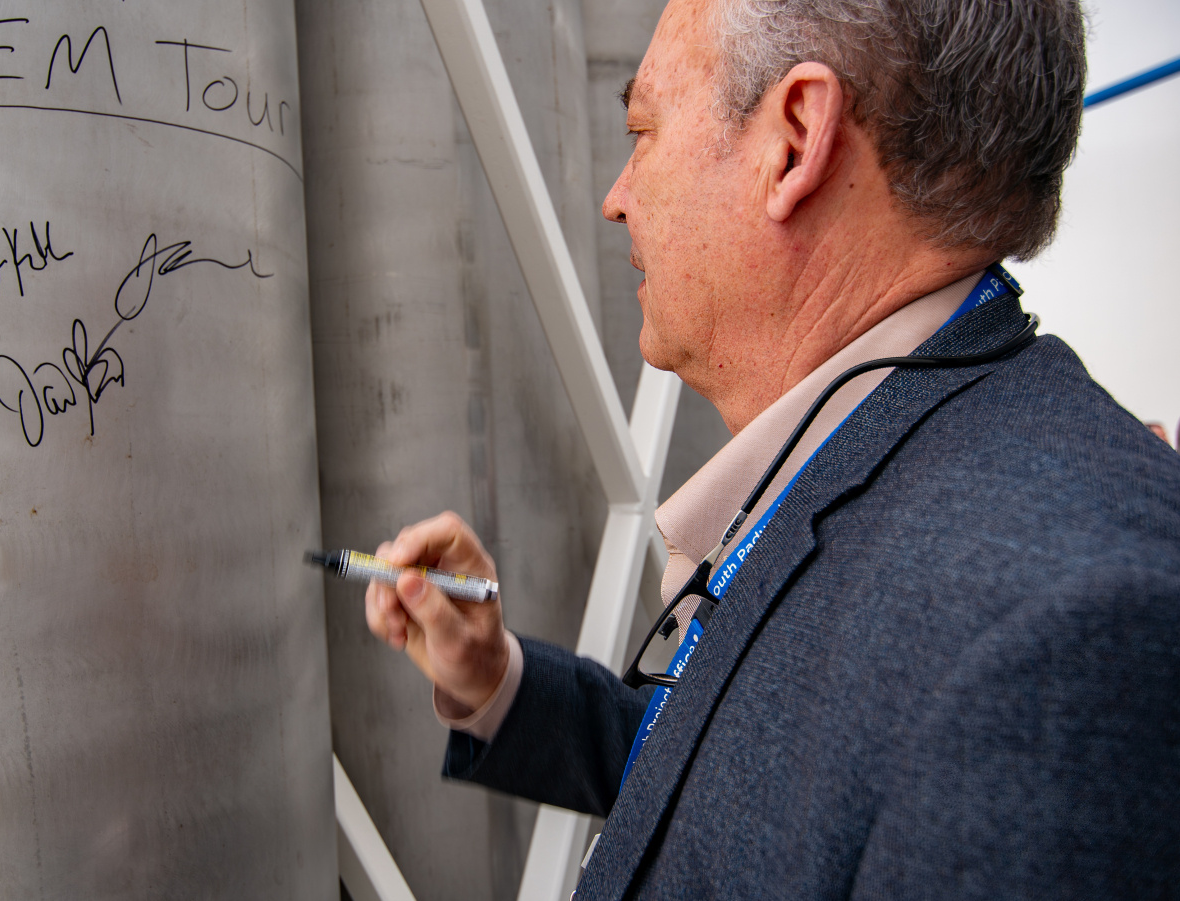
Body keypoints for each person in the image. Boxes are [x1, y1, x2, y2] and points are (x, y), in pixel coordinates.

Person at [365, 0, 1180, 896]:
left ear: (794, 141)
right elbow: (754, 770)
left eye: (643, 129)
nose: (616, 196)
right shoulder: (883, 448)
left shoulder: (1064, 633)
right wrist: (497, 679)